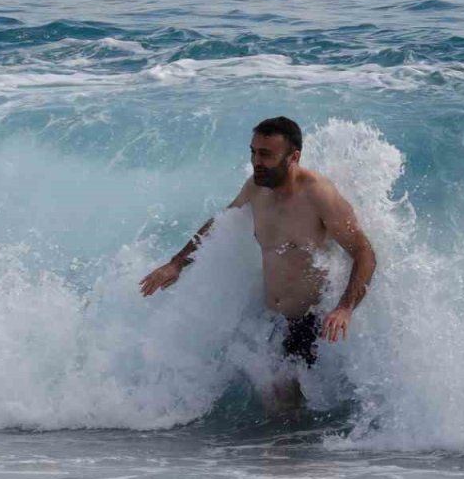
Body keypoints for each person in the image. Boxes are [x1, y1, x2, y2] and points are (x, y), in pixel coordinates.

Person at [139, 117, 376, 408]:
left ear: (294, 157)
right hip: (271, 319)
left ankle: (294, 451)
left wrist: (344, 308)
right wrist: (176, 263)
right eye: (253, 152)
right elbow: (221, 223)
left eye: (266, 155)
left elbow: (364, 252)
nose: (256, 161)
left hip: (309, 321)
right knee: (275, 408)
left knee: (283, 403)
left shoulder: (318, 195)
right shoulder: (256, 187)